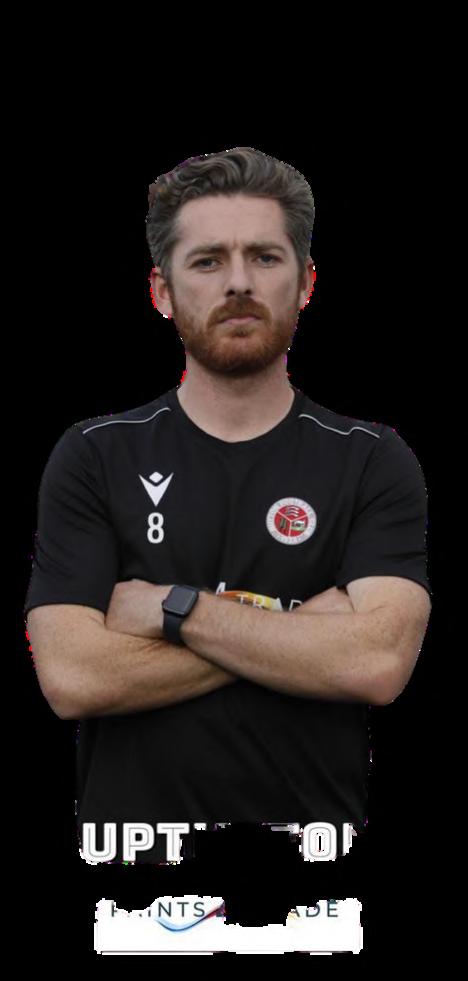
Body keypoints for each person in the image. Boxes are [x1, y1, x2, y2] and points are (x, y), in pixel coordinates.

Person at [24, 147, 431, 865]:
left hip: (315, 871)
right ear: (162, 290)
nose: (239, 281)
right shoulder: (94, 455)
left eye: (265, 257)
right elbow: (72, 677)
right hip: (135, 872)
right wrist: (300, 634)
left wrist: (174, 609)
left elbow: (376, 662)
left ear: (305, 283)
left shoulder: (372, 458)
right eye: (208, 260)